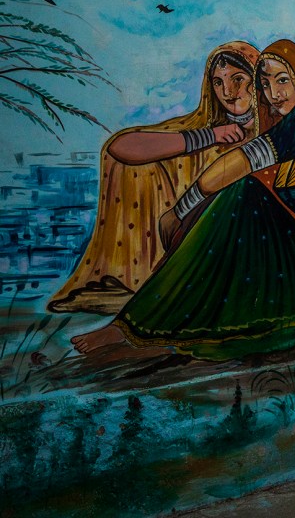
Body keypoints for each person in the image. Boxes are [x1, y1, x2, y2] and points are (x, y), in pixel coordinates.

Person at [72, 39, 295, 359]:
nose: (272, 93)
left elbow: (238, 164)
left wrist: (178, 212)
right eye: (265, 83)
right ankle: (142, 321)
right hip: (276, 253)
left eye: (281, 81)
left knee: (243, 192)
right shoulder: (249, 124)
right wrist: (209, 137)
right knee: (241, 196)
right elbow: (121, 148)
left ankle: (134, 326)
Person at [49, 41, 261, 314]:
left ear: (258, 80)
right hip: (181, 229)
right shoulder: (204, 126)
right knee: (137, 167)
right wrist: (210, 136)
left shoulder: (276, 132)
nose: (228, 92)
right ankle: (138, 282)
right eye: (218, 83)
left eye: (238, 79)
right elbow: (119, 148)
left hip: (243, 240)